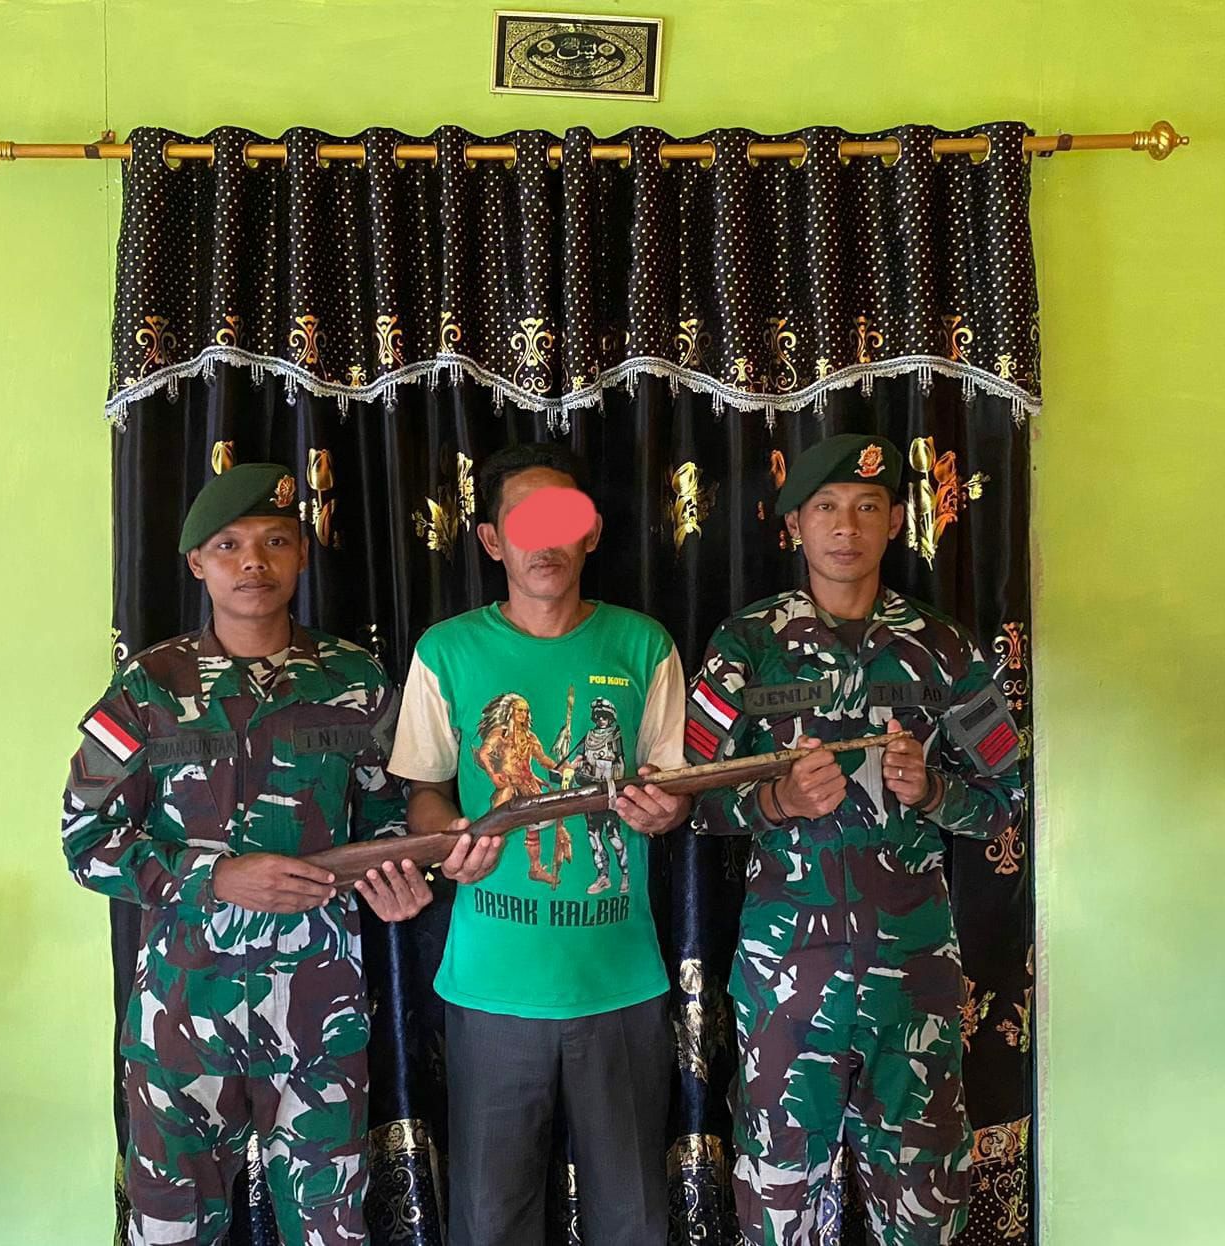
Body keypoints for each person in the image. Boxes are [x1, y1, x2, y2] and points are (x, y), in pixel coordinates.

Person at [60, 462, 495, 1246]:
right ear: (197, 563)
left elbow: (392, 823)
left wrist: (402, 880)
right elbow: (86, 839)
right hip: (183, 1017)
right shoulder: (149, 687)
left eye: (275, 541)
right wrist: (217, 876)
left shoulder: (355, 681)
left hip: (317, 1014)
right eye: (229, 545)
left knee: (332, 1230)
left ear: (301, 555)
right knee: (169, 1232)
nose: (253, 562)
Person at [687, 435, 1025, 1246]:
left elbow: (1006, 798)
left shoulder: (943, 649)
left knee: (923, 1202)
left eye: (868, 507)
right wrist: (777, 798)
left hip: (914, 973)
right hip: (787, 972)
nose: (847, 527)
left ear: (897, 522)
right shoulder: (748, 644)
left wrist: (933, 791)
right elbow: (689, 799)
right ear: (795, 526)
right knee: (779, 1199)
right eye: (827, 508)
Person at [388, 442, 689, 1246]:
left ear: (592, 532)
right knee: (490, 1221)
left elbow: (674, 787)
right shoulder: (446, 651)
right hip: (491, 986)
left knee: (633, 1220)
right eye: (524, 521)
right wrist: (443, 836)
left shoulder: (644, 646)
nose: (545, 539)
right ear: (492, 541)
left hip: (620, 982)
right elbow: (424, 792)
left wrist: (664, 812)